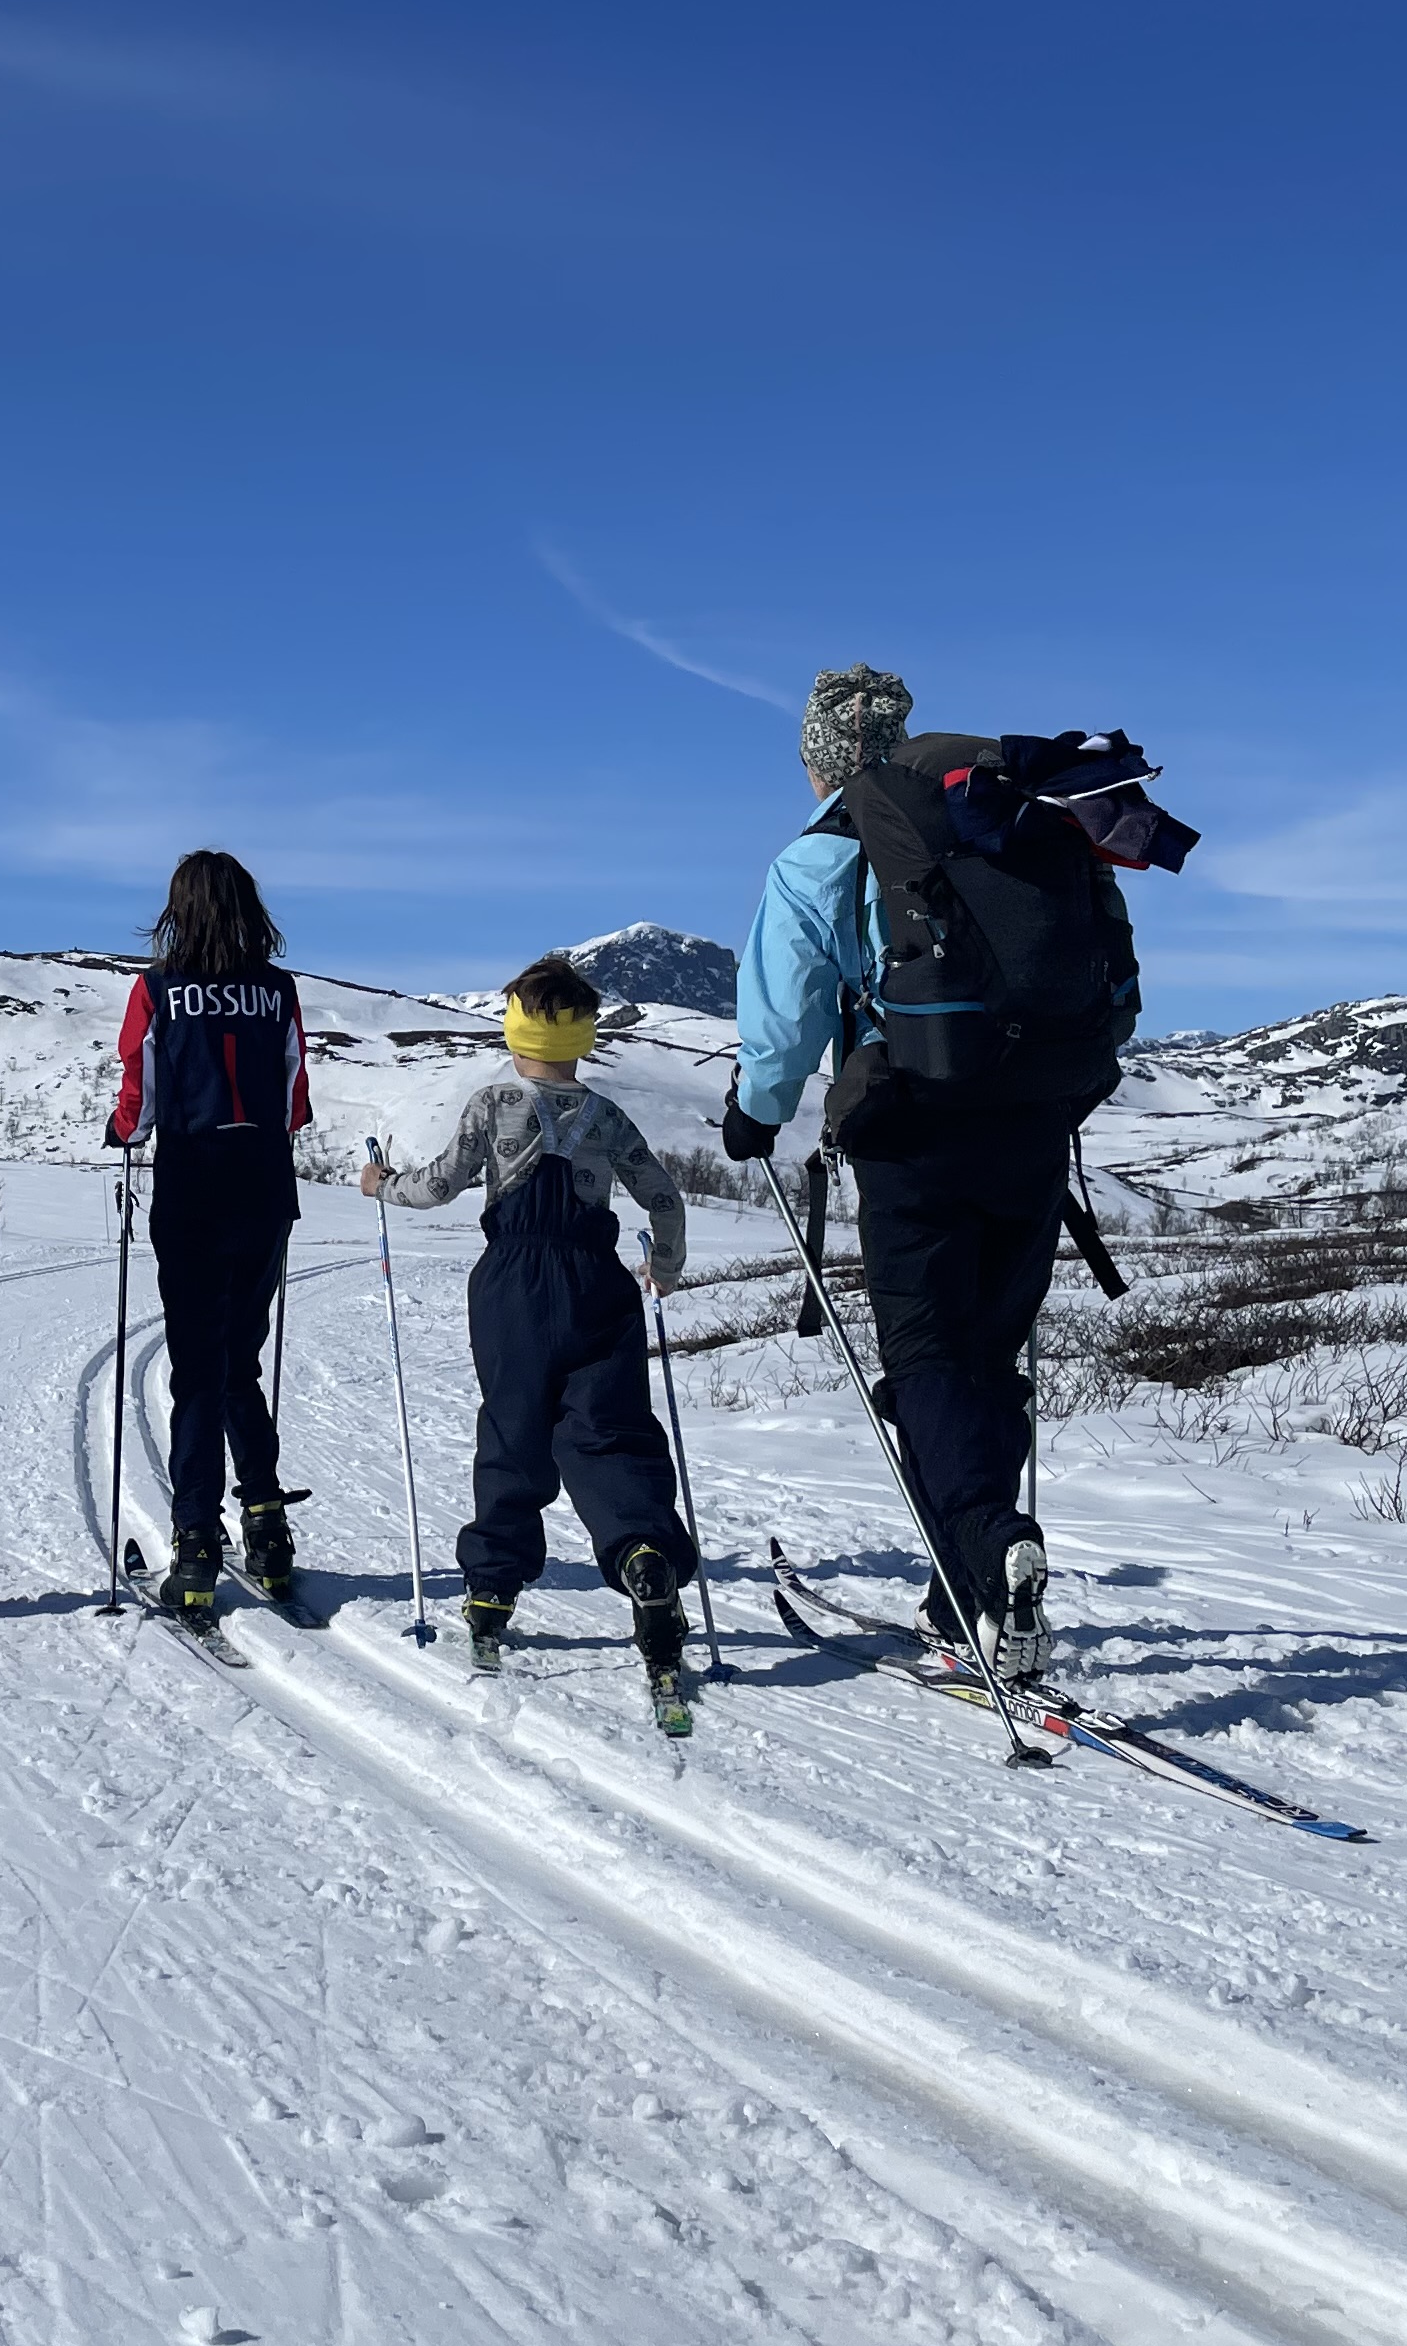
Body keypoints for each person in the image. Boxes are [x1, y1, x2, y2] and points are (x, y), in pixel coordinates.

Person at [723, 666, 1138, 1685]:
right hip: (1036, 1119)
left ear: (821, 757)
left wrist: (754, 1113)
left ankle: (993, 1549)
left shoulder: (828, 846)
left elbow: (783, 1017)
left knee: (926, 1361)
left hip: (913, 1126)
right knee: (990, 1358)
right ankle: (964, 1601)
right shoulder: (1012, 810)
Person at [363, 953, 692, 1680]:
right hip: (597, 1283)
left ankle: (491, 1589)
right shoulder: (606, 1116)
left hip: (511, 1285)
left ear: (516, 1037)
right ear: (583, 1040)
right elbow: (664, 1198)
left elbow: (439, 1186)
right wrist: (662, 1269)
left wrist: (382, 1183)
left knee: (514, 1429)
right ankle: (643, 1552)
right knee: (608, 1429)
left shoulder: (491, 1104)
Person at [105, 849, 316, 1616]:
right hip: (263, 1190)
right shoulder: (278, 989)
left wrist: (120, 1128)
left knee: (196, 1368)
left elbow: (140, 1100)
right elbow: (295, 1102)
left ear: (178, 910)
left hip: (192, 1192)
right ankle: (267, 1528)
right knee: (239, 1365)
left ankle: (195, 1540)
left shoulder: (157, 990)